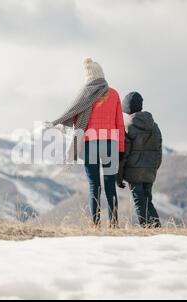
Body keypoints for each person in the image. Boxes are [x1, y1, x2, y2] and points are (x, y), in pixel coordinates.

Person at [48, 58, 125, 228]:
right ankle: (114, 222)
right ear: (101, 74)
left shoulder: (83, 94)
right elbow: (120, 123)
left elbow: (74, 115)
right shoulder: (114, 94)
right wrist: (120, 148)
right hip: (110, 143)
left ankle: (95, 222)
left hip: (90, 144)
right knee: (109, 184)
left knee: (94, 185)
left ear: (88, 76)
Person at [117, 92, 162, 228]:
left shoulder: (127, 126)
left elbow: (124, 154)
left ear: (127, 109)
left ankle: (146, 228)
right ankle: (156, 227)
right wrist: (154, 168)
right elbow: (158, 152)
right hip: (150, 171)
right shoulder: (154, 127)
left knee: (139, 201)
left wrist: (119, 177)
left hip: (133, 172)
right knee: (148, 200)